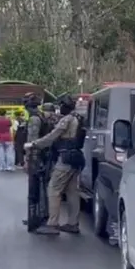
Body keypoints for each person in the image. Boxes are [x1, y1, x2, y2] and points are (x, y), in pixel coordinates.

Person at [25, 96, 85, 235]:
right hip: (77, 157)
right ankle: (73, 223)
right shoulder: (79, 118)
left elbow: (52, 136)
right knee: (72, 192)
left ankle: (52, 224)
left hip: (66, 157)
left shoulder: (67, 119)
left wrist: (34, 144)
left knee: (53, 189)